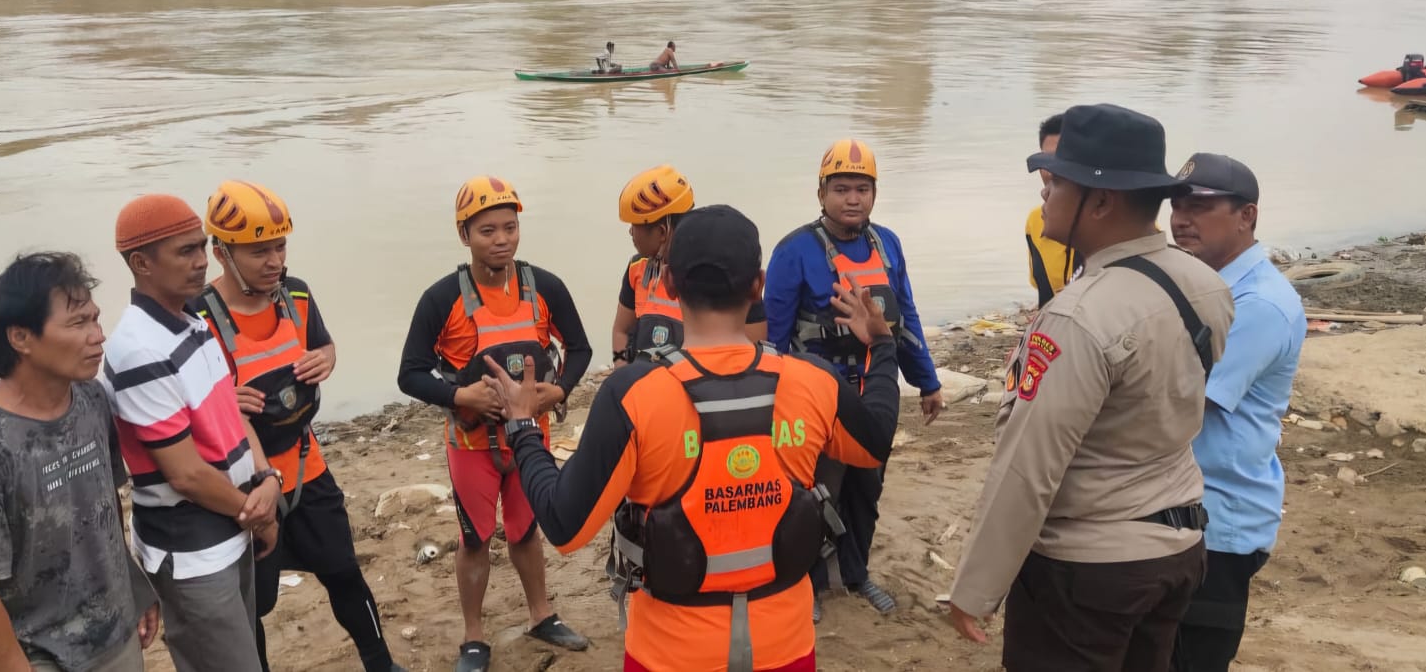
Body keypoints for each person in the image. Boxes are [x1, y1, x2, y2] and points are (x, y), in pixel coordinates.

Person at [485, 205, 902, 672]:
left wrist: (523, 428)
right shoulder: (813, 382)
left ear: (669, 285)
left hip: (669, 653)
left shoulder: (633, 395)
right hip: (784, 648)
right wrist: (882, 346)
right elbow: (874, 443)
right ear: (758, 286)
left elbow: (566, 527)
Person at [948, 104, 1236, 672]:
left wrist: (975, 590)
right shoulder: (1203, 283)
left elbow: (1029, 468)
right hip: (1178, 546)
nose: (1044, 199)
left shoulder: (1078, 316)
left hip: (1089, 572)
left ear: (1100, 202)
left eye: (1055, 185)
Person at [191, 181, 406, 672]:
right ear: (221, 252)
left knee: (344, 572)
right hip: (244, 489)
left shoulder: (296, 296)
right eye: (258, 250)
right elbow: (185, 410)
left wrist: (324, 360)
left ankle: (382, 663)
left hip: (307, 467)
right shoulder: (198, 318)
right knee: (254, 603)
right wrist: (222, 402)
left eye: (280, 246)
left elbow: (324, 346)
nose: (274, 260)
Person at [0, 252, 160, 672]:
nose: (98, 335)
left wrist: (135, 594)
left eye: (94, 318)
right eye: (77, 323)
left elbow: (104, 511)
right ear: (21, 338)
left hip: (114, 638)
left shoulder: (90, 401)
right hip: (38, 654)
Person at [397, 176, 593, 672]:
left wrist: (561, 389)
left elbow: (581, 347)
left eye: (509, 227)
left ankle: (541, 614)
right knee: (474, 538)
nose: (501, 239)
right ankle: (474, 637)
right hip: (471, 443)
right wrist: (459, 394)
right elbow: (410, 373)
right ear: (465, 235)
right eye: (487, 231)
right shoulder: (442, 298)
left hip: (531, 437)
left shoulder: (544, 287)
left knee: (527, 530)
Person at [101, 194, 280, 672]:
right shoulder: (139, 349)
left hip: (232, 525)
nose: (203, 262)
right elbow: (184, 475)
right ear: (141, 262)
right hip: (193, 551)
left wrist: (267, 478)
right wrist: (254, 512)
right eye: (185, 252)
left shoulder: (193, 321)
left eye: (202, 247)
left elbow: (232, 411)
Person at [765, 138, 941, 618]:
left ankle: (857, 573)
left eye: (862, 188)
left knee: (867, 487)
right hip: (814, 399)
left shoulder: (889, 245)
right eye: (841, 188)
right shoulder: (793, 251)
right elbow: (775, 338)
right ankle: (809, 581)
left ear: (875, 194)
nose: (852, 199)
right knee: (813, 490)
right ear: (820, 193)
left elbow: (905, 319)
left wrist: (927, 382)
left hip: (873, 391)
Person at [1169, 154, 1305, 672]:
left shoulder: (1259, 305)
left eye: (1201, 206)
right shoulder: (1207, 285)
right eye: (1177, 205)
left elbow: (1182, 400)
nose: (1182, 218)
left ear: (1246, 216)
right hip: (1189, 509)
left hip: (1219, 522)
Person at [611, 164, 766, 364]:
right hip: (645, 381)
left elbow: (754, 347)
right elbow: (621, 330)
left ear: (662, 232)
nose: (631, 233)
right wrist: (622, 366)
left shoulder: (715, 270)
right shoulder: (637, 269)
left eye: (635, 226)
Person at [1026, 113, 1078, 307]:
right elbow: (1043, 291)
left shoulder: (1126, 225)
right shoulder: (1035, 221)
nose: (1052, 170)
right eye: (1046, 161)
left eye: (1063, 161)